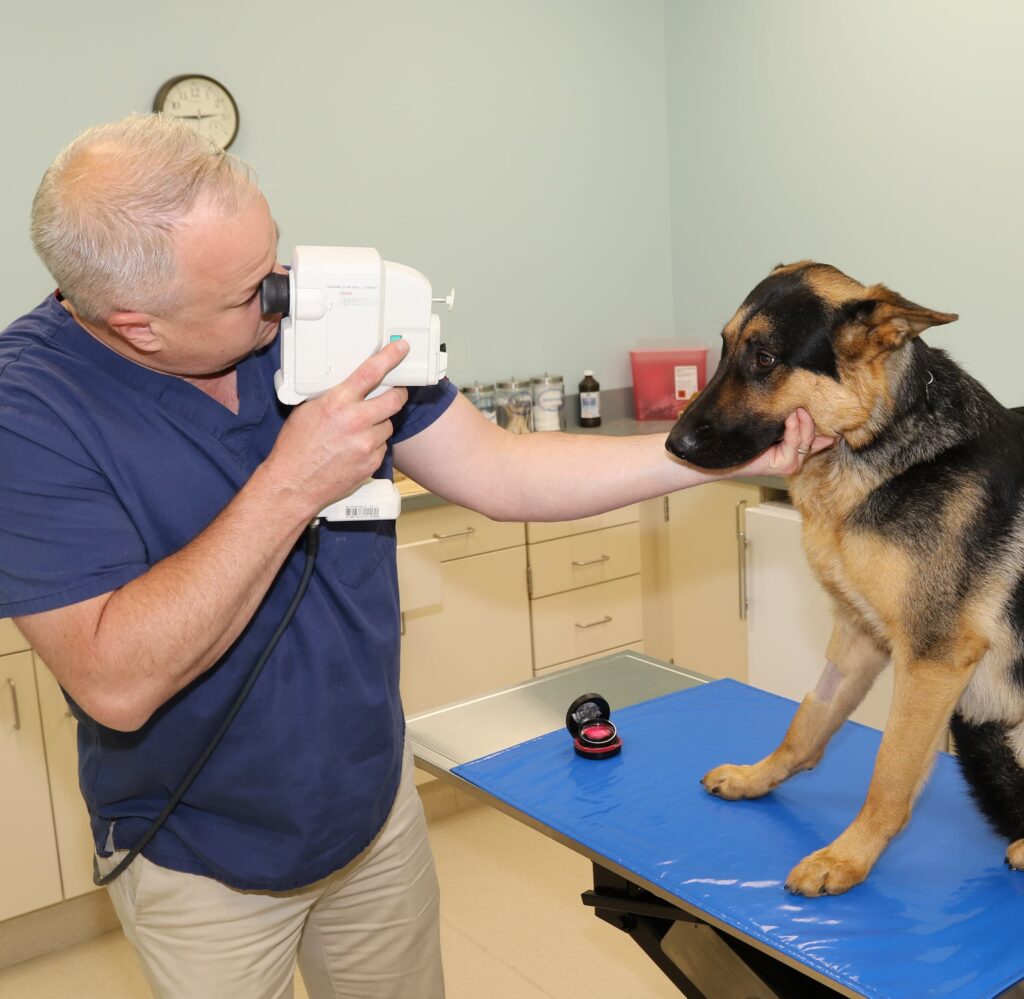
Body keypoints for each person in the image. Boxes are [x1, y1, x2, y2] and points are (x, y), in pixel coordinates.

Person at [0, 114, 830, 999]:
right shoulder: (32, 411)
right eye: (252, 292)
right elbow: (116, 679)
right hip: (199, 850)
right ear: (140, 326)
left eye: (275, 257)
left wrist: (717, 452)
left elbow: (502, 470)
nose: (284, 296)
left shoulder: (326, 310)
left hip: (370, 809)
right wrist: (290, 482)